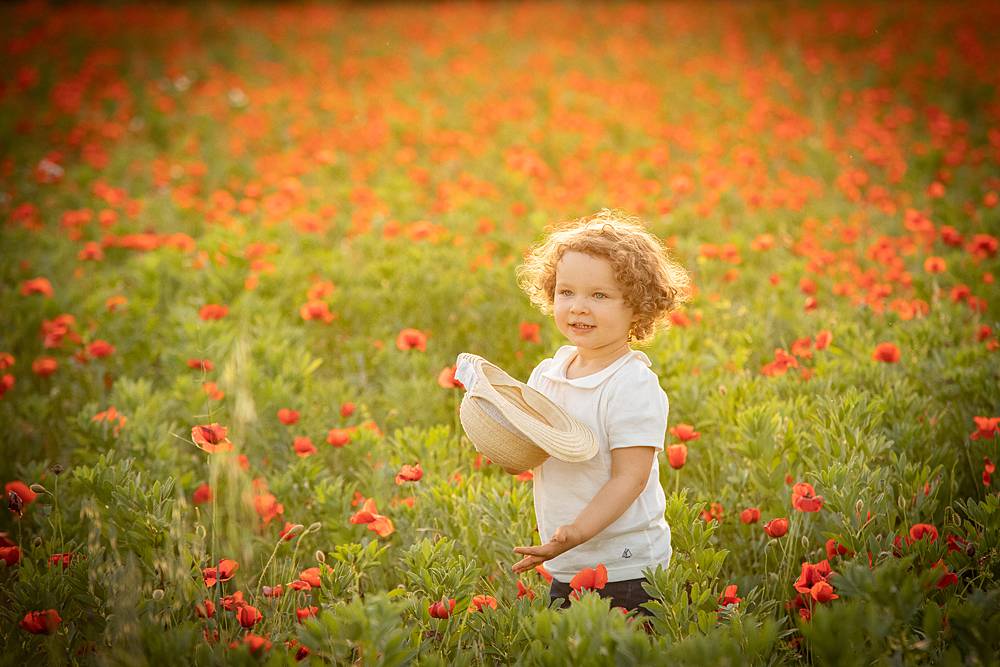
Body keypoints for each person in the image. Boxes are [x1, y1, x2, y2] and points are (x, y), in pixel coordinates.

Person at [510, 209, 691, 615]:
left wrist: (576, 532)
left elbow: (630, 477)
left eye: (599, 295)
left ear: (638, 309)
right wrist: (505, 447)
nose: (578, 307)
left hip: (628, 568)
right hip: (566, 558)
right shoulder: (548, 374)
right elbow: (529, 451)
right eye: (566, 292)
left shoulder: (631, 384)